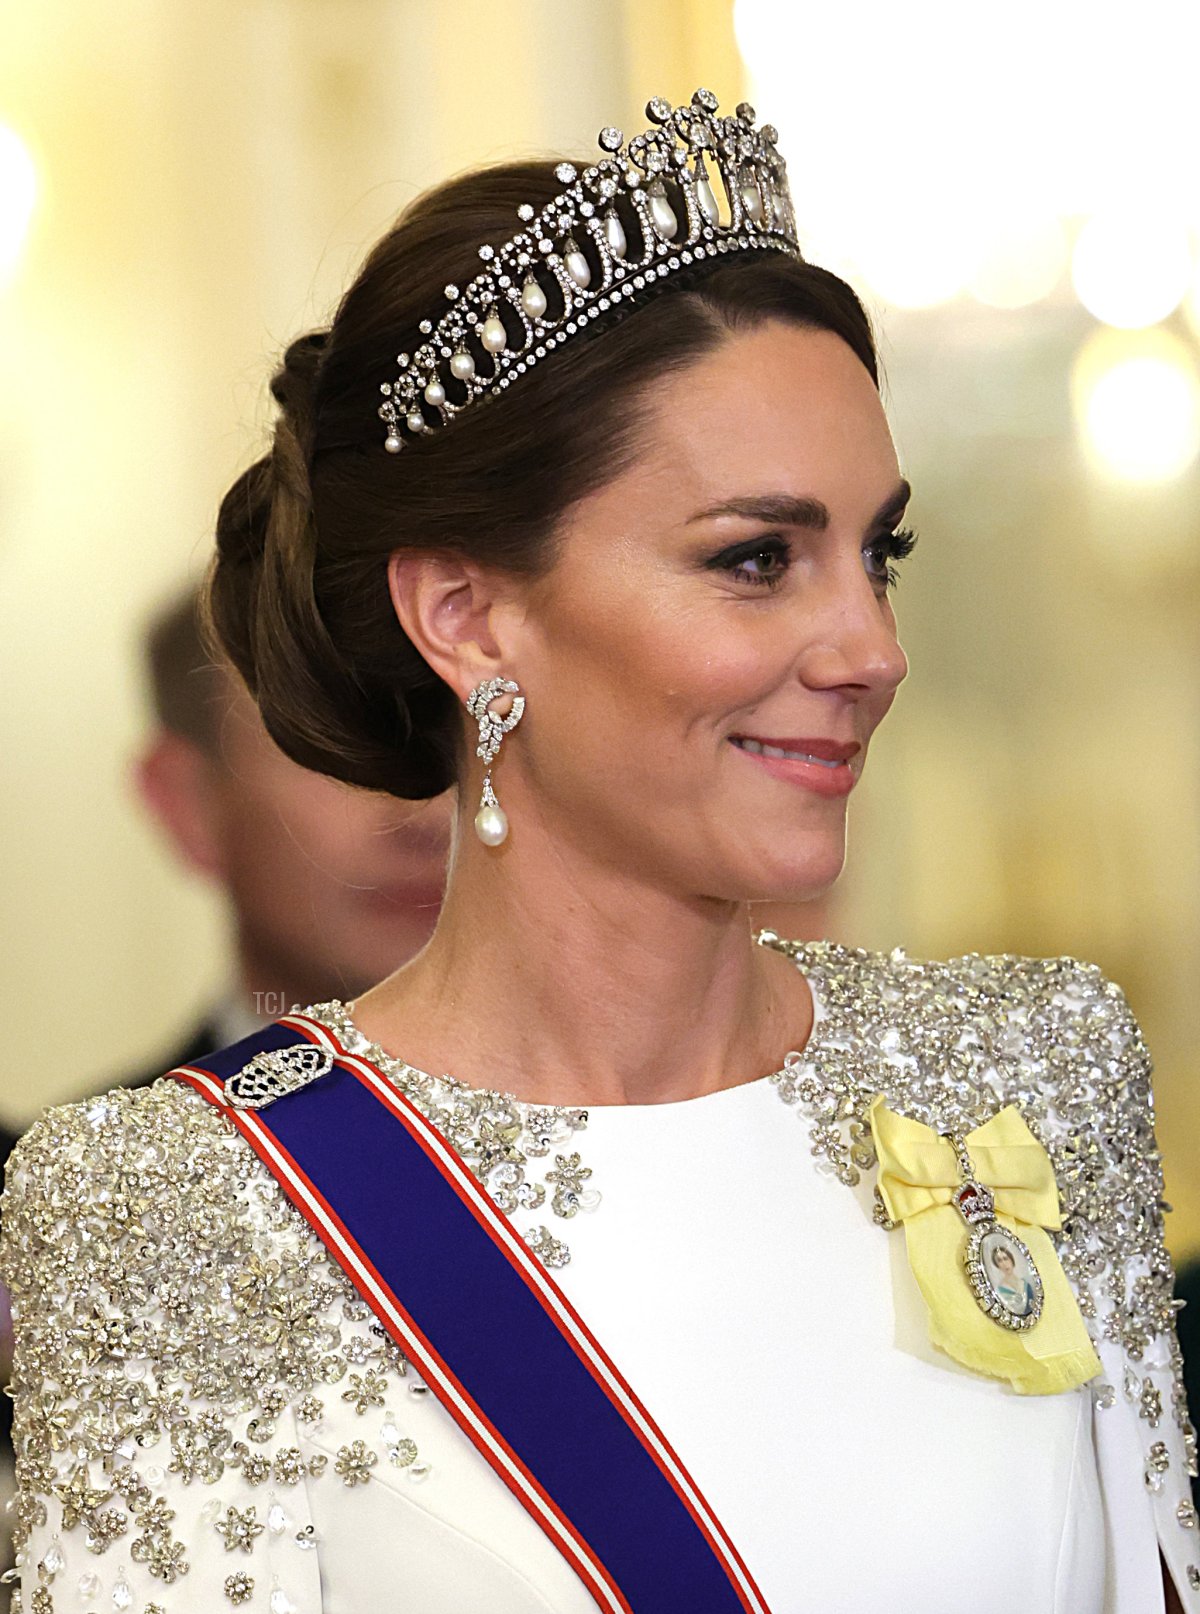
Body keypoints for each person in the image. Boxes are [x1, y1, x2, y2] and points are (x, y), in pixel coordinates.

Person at [1, 90, 1193, 1614]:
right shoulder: (190, 1205)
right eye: (756, 559)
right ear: (467, 616)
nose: (872, 647)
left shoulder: (1033, 1071)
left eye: (875, 551)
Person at [133, 586, 453, 1067]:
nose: (430, 817)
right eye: (338, 755)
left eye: (465, 749)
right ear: (186, 803)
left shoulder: (604, 1127)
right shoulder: (82, 1145)